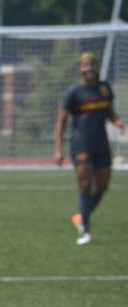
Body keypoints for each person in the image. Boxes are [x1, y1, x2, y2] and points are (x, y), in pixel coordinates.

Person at [54, 51, 125, 246]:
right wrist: (58, 150)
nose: (88, 69)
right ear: (80, 69)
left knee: (102, 187)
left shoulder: (104, 89)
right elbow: (61, 121)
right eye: (85, 65)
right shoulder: (73, 93)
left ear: (97, 67)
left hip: (101, 144)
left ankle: (81, 216)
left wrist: (117, 121)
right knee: (85, 185)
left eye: (92, 65)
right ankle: (85, 230)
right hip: (81, 144)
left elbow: (110, 112)